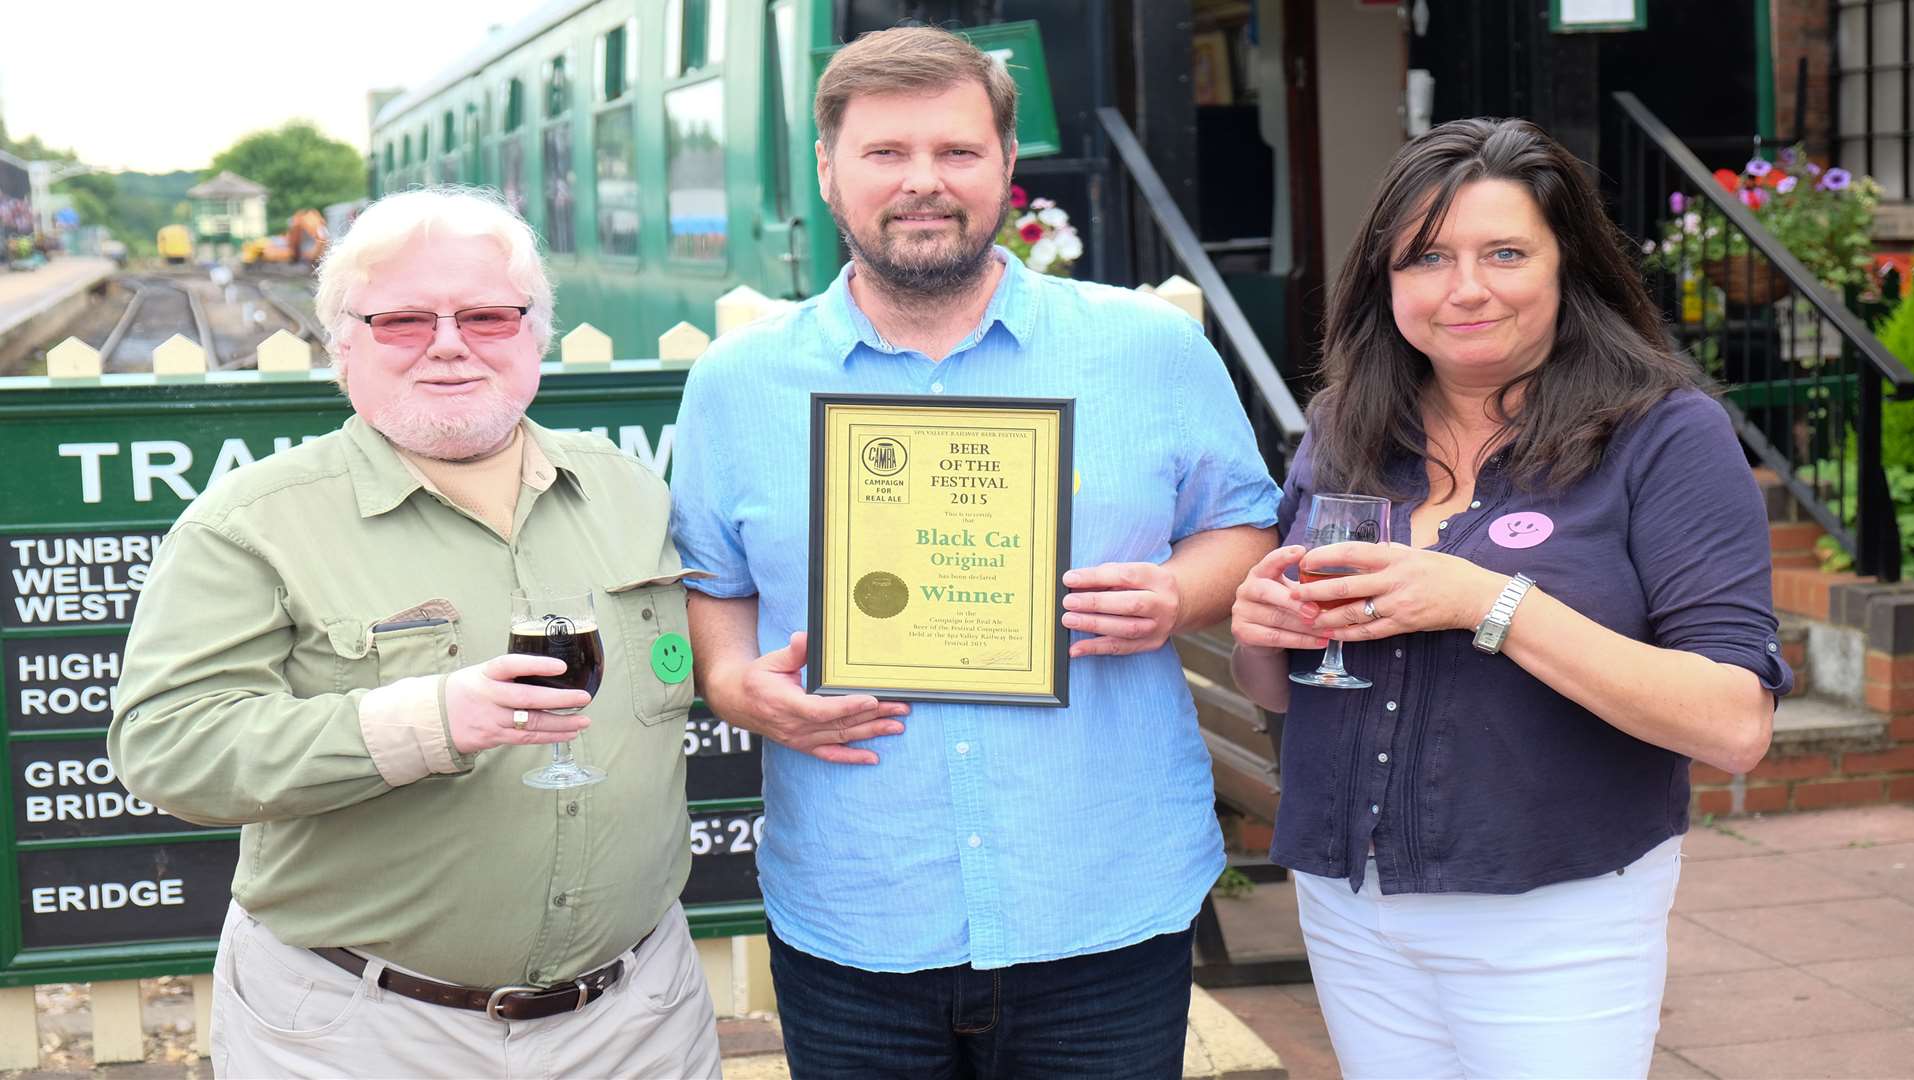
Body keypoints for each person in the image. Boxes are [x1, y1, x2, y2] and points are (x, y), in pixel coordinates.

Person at [669, 25, 1278, 1078]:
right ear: (829, 170)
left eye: (956, 152)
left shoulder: (1149, 350)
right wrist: (729, 681)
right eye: (886, 154)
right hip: (858, 907)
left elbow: (1244, 524)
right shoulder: (738, 382)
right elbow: (713, 582)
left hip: (1102, 896)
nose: (923, 184)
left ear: (1004, 166)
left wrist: (1177, 594)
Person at [108, 188, 720, 1079]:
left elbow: (681, 659)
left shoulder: (629, 491)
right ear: (342, 346)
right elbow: (166, 746)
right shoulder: (250, 523)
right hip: (366, 1029)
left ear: (534, 336)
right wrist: (424, 724)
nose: (448, 342)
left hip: (635, 1020)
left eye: (486, 315)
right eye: (401, 320)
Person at [1228, 118, 1788, 1078]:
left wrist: (1490, 602)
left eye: (1505, 253)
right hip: (1352, 902)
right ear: (1386, 283)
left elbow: (1733, 723)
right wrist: (1259, 629)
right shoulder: (1345, 424)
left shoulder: (1664, 435)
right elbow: (1284, 690)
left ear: (1570, 266)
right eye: (1428, 258)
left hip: (1554, 913)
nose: (1466, 288)